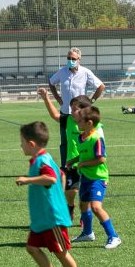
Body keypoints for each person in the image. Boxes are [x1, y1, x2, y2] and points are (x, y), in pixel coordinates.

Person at [14, 121, 90, 267]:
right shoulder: (39, 158)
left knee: (60, 252)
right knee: (32, 247)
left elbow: (51, 178)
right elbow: (62, 175)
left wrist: (28, 180)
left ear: (31, 144)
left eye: (22, 142)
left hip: (52, 218)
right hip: (42, 218)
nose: (21, 145)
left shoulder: (42, 160)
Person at [37, 88, 93, 221]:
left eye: (74, 109)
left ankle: (85, 218)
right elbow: (55, 115)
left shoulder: (90, 125)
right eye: (71, 108)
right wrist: (46, 98)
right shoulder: (68, 120)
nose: (71, 111)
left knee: (86, 194)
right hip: (71, 164)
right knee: (71, 191)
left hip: (86, 163)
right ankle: (70, 205)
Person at [69, 107, 121, 249]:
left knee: (96, 207)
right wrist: (73, 160)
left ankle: (114, 236)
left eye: (80, 121)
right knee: (83, 205)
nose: (77, 123)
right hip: (86, 177)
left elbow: (101, 159)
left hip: (98, 178)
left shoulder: (96, 139)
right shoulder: (81, 137)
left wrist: (82, 163)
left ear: (89, 123)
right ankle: (87, 233)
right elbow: (83, 154)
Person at [47, 47, 103, 173]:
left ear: (79, 59)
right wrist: (58, 98)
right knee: (65, 142)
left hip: (80, 114)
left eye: (73, 59)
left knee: (80, 139)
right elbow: (51, 82)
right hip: (65, 112)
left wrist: (91, 102)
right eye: (69, 58)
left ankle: (81, 165)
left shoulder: (85, 72)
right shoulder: (62, 72)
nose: (70, 60)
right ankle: (64, 167)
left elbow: (100, 86)